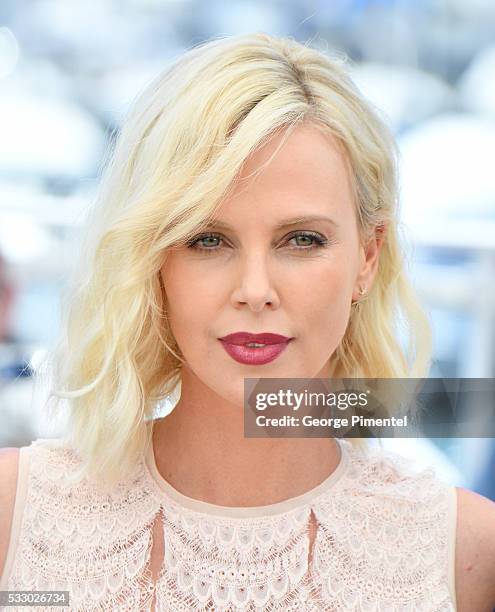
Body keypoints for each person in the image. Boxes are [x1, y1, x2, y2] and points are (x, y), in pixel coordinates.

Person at [1, 32, 494, 611]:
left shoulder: (467, 553)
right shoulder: (16, 513)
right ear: (152, 258)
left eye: (301, 240)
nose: (255, 291)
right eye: (208, 239)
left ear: (368, 257)